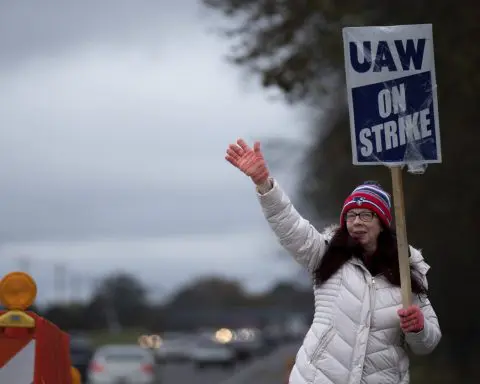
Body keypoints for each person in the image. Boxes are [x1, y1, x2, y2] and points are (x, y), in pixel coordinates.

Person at [225, 138, 441, 384]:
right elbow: (289, 224)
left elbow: (428, 343)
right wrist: (264, 184)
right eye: (350, 215)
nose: (356, 222)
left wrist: (418, 328)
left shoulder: (407, 271)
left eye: (366, 215)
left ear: (382, 223)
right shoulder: (325, 255)